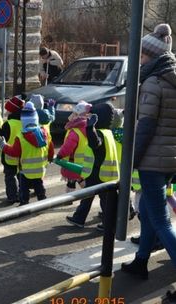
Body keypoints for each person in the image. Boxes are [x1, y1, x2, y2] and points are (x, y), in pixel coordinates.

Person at [121, 24, 176, 286]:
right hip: (170, 159)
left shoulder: (154, 82)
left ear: (152, 56)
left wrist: (130, 159)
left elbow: (146, 126)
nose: (139, 59)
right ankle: (141, 261)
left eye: (141, 56)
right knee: (146, 208)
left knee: (161, 221)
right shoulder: (172, 78)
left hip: (153, 161)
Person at [65, 102, 119, 230]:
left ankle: (107, 223)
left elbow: (96, 144)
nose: (89, 118)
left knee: (102, 199)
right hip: (102, 171)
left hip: (98, 172)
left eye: (93, 116)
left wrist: (90, 129)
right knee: (90, 196)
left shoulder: (100, 132)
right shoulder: (108, 132)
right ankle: (80, 218)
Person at [0, 101, 53, 205]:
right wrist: (49, 158)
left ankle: (24, 203)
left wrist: (3, 145)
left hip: (25, 169)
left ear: (23, 120)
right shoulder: (44, 133)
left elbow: (14, 152)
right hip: (40, 168)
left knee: (24, 188)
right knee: (38, 184)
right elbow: (50, 147)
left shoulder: (21, 137)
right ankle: (43, 200)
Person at [57, 101, 92, 195]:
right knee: (80, 178)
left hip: (72, 162)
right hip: (85, 162)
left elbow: (68, 147)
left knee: (72, 181)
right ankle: (89, 193)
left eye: (74, 113)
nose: (71, 115)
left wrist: (60, 155)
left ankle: (69, 197)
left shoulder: (75, 131)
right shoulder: (89, 128)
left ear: (77, 115)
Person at [0, 96, 24, 204]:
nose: (6, 112)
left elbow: (2, 137)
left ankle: (12, 196)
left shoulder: (8, 124)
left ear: (12, 111)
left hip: (9, 154)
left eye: (7, 110)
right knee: (20, 175)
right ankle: (22, 193)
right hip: (22, 154)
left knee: (10, 176)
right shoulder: (24, 122)